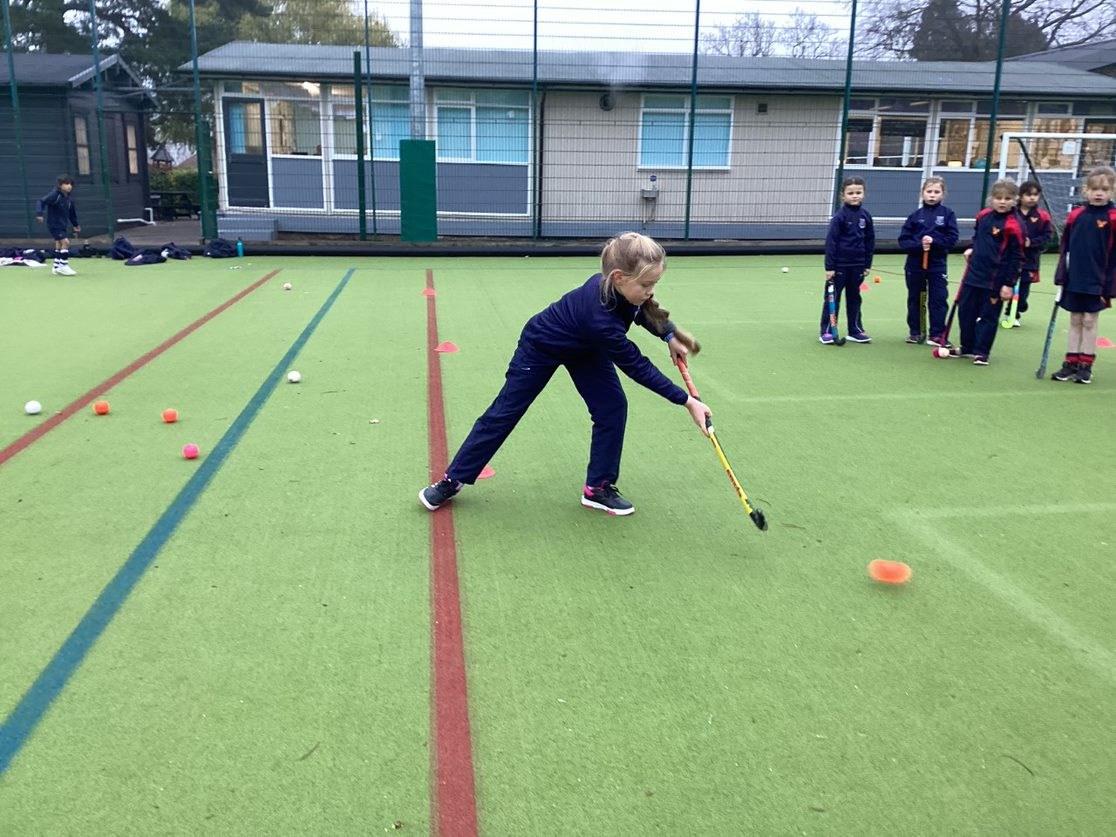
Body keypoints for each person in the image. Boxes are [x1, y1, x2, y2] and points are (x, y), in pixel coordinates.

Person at [419, 232, 710, 516]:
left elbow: (641, 309)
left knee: (612, 407)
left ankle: (597, 488)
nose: (651, 291)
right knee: (505, 411)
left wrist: (669, 335)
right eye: (646, 284)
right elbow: (637, 366)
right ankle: (452, 480)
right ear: (619, 277)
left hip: (585, 348)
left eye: (654, 283)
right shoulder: (601, 320)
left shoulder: (617, 289)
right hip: (541, 346)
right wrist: (687, 401)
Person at [1050, 168, 1116, 385]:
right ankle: (1071, 363)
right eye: (1094, 189)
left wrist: (1110, 284)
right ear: (1086, 190)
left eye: (1104, 189)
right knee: (1075, 318)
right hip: (1075, 278)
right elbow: (1065, 248)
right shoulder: (1076, 216)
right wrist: (1061, 275)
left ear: (1112, 191)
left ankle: (1086, 365)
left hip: (1099, 280)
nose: (1099, 193)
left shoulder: (1113, 217)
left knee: (1089, 320)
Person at [958, 180, 1024, 365]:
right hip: (973, 274)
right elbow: (978, 238)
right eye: (998, 198)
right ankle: (967, 347)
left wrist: (1009, 284)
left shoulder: (1014, 224)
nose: (1002, 202)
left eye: (1007, 198)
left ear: (1015, 200)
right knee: (965, 312)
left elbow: (1017, 257)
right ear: (991, 198)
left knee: (988, 316)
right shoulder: (983, 216)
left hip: (995, 280)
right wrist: (972, 248)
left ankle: (982, 352)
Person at [898, 176, 959, 345]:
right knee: (915, 299)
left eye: (936, 192)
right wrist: (920, 245)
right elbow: (903, 241)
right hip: (915, 265)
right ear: (922, 193)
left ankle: (937, 334)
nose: (932, 195)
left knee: (938, 298)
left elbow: (952, 239)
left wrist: (934, 242)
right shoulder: (915, 216)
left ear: (943, 194)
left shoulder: (948, 214)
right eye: (929, 191)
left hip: (937, 265)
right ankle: (916, 332)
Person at [820, 177, 874, 344]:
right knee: (832, 298)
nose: (855, 196)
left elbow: (869, 241)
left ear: (864, 194)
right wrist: (830, 267)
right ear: (843, 195)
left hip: (857, 266)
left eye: (858, 192)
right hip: (839, 266)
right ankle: (827, 331)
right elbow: (831, 242)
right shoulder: (839, 217)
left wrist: (867, 264)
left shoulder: (866, 216)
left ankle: (855, 330)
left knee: (854, 298)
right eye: (850, 193)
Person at [1013, 180, 1054, 327]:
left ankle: (1019, 308)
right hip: (1011, 258)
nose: (1032, 198)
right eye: (1028, 194)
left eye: (1035, 195)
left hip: (1030, 260)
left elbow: (1047, 236)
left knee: (1023, 291)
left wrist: (1032, 242)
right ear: (1020, 196)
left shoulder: (1043, 216)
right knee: (1005, 286)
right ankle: (1010, 313)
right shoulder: (1012, 213)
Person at [35, 175, 81, 276]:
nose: (69, 186)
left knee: (59, 244)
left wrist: (76, 225)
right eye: (66, 184)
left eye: (71, 184)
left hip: (63, 224)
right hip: (54, 224)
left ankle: (56, 266)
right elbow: (41, 201)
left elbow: (72, 214)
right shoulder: (55, 195)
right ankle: (63, 266)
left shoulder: (69, 199)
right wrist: (39, 214)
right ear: (60, 185)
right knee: (66, 242)